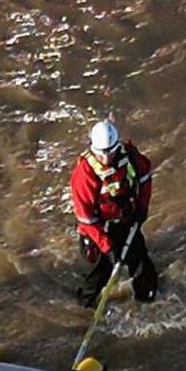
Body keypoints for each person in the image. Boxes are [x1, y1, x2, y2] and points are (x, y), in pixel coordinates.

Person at [66, 119, 160, 306]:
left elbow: (144, 178)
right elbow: (86, 218)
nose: (106, 158)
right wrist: (107, 247)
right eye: (102, 153)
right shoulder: (84, 175)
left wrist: (142, 208)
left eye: (110, 151)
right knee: (98, 276)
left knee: (142, 266)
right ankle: (85, 308)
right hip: (97, 231)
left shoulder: (130, 156)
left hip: (126, 222)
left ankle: (148, 299)